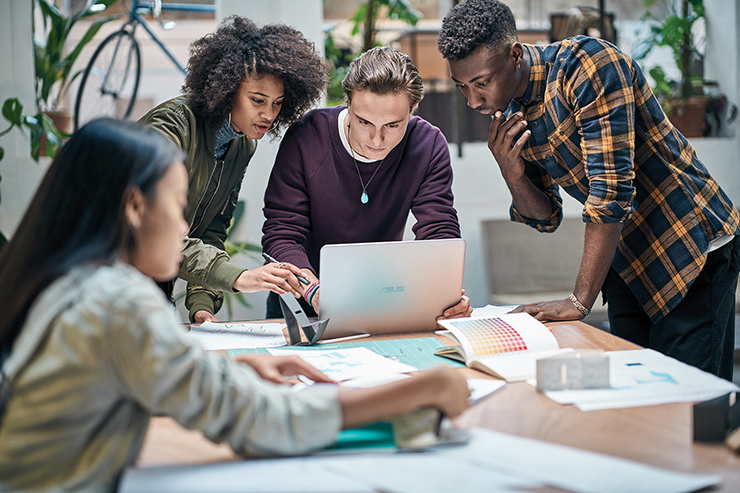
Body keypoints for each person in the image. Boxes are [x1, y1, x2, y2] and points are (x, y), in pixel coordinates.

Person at [0, 119, 470, 492]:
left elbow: (145, 375)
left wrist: (238, 369)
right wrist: (421, 390)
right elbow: (262, 422)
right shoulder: (118, 301)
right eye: (180, 206)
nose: (186, 229)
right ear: (135, 207)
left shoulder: (72, 284)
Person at [437, 0, 740, 379]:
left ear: (515, 54)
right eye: (462, 86)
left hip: (689, 245)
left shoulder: (587, 66)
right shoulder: (513, 111)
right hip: (627, 260)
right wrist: (511, 173)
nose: (473, 100)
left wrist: (579, 300)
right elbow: (545, 217)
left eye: (481, 82)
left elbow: (611, 193)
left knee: (695, 405)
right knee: (639, 395)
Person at [261, 46, 472, 320]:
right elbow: (281, 232)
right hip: (302, 303)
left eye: (393, 125)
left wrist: (444, 291)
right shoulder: (307, 137)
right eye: (364, 122)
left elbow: (439, 229)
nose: (376, 139)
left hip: (383, 302)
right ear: (347, 100)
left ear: (413, 109)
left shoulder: (427, 144)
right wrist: (313, 291)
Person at [140, 15, 327, 324]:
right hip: (112, 277)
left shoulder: (242, 145)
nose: (268, 114)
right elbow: (151, 226)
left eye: (278, 103)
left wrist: (201, 307)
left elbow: (211, 229)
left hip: (158, 279)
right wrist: (240, 277)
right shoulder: (172, 126)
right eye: (257, 100)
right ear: (227, 88)